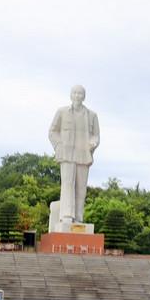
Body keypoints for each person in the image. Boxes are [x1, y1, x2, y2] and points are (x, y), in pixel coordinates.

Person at [48, 85, 100, 225]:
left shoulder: (92, 115)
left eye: (80, 93)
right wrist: (59, 145)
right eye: (75, 93)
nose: (77, 96)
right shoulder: (62, 112)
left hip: (83, 156)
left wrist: (93, 143)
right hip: (67, 155)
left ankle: (78, 217)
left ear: (84, 96)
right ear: (71, 95)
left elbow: (96, 135)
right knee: (67, 184)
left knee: (81, 188)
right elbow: (52, 131)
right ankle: (66, 215)